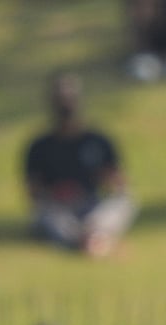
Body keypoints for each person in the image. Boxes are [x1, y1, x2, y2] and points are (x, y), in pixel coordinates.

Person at [23, 70, 138, 258]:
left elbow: (119, 183)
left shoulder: (98, 140)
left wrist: (110, 183)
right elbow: (33, 191)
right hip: (59, 207)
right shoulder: (39, 146)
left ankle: (91, 237)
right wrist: (59, 193)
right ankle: (92, 241)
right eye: (61, 99)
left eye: (70, 98)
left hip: (92, 205)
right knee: (48, 215)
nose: (66, 104)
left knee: (124, 204)